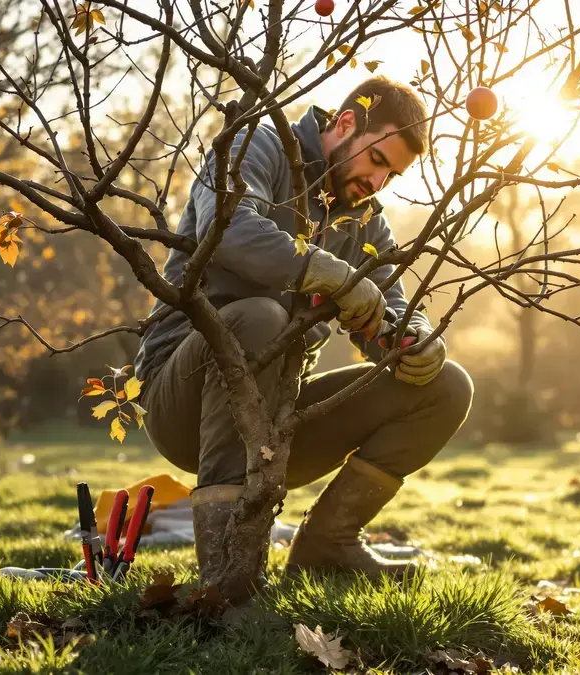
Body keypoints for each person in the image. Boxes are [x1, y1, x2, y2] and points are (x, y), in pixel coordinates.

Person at [132, 76, 474, 593]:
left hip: (278, 421)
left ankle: (327, 548)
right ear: (345, 124)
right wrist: (331, 274)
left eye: (393, 175)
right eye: (378, 162)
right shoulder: (258, 146)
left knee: (448, 385)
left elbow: (396, 306)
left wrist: (417, 340)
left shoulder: (365, 223)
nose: (378, 183)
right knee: (260, 317)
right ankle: (227, 580)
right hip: (182, 403)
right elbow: (227, 231)